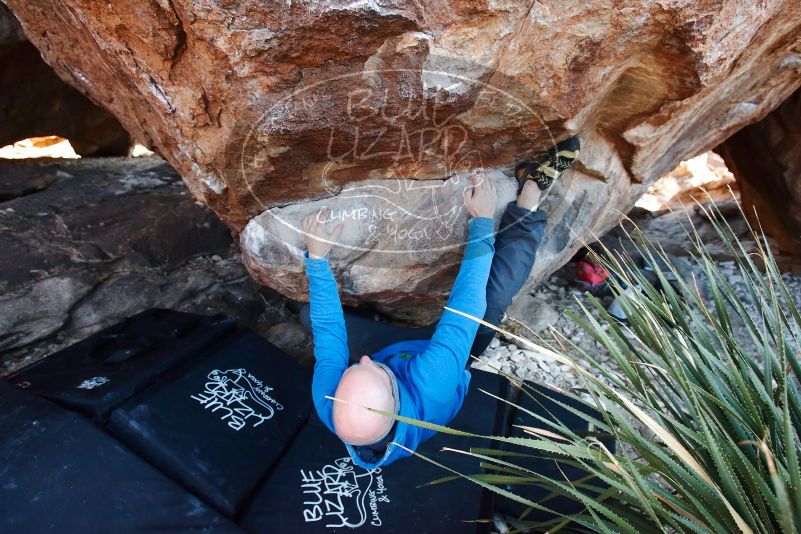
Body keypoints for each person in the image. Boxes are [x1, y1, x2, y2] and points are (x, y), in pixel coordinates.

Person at [300, 136, 580, 469]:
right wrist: (482, 220)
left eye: (352, 370)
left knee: (308, 316)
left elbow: (330, 335)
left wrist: (316, 260)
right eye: (371, 370)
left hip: (394, 355)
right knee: (498, 290)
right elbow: (464, 308)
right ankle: (531, 191)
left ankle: (383, 325)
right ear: (397, 397)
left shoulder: (331, 400)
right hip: (442, 356)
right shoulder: (434, 380)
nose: (360, 359)